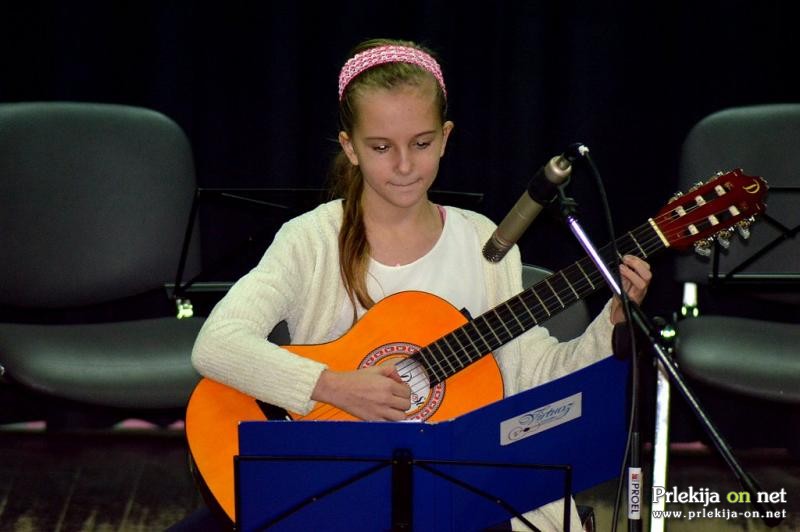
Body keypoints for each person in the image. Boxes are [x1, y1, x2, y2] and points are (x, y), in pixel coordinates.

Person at [190, 38, 652, 531]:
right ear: (349, 147)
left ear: (446, 137)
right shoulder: (311, 240)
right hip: (334, 482)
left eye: (422, 143)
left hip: (460, 484)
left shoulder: (484, 242)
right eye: (381, 147)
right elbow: (216, 344)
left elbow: (531, 376)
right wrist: (335, 387)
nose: (405, 165)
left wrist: (610, 324)